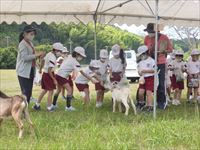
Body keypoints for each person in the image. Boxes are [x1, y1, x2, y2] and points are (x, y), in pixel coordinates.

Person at [144, 23, 173, 109]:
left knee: (160, 83)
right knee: (148, 82)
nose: (149, 33)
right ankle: (146, 103)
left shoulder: (164, 37)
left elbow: (170, 50)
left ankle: (161, 102)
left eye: (151, 32)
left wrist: (163, 51)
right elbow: (145, 50)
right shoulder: (146, 38)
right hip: (150, 63)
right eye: (148, 32)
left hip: (160, 62)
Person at [16, 25, 45, 103]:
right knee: (25, 91)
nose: (33, 36)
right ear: (24, 34)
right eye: (31, 34)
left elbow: (32, 56)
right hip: (23, 72)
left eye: (33, 34)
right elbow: (24, 58)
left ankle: (26, 107)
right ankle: (23, 108)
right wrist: (37, 55)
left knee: (29, 91)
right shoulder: (22, 44)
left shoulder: (30, 43)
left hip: (31, 70)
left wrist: (37, 61)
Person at [52, 46, 86, 111]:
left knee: (58, 90)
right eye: (81, 56)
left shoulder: (70, 56)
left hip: (58, 75)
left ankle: (54, 104)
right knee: (69, 90)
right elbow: (82, 72)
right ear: (77, 54)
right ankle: (68, 107)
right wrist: (90, 78)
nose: (82, 57)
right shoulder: (75, 62)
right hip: (62, 77)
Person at [33, 42, 64, 111]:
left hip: (45, 73)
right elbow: (50, 70)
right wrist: (54, 79)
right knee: (51, 91)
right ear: (56, 50)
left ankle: (37, 105)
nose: (60, 52)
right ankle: (49, 107)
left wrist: (41, 69)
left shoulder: (49, 54)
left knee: (44, 90)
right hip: (49, 74)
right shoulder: (52, 57)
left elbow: (43, 61)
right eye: (60, 51)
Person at [137, 45, 155, 112]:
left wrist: (146, 71)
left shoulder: (151, 61)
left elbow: (155, 70)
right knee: (140, 92)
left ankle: (150, 106)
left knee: (148, 92)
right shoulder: (140, 62)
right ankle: (141, 103)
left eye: (142, 54)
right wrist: (140, 73)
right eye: (140, 55)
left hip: (150, 78)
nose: (141, 56)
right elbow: (139, 70)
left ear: (146, 53)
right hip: (142, 79)